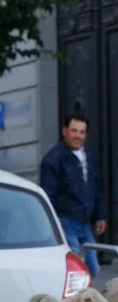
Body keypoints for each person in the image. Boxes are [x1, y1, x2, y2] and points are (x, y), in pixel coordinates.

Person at [41, 113, 107, 277]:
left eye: (82, 132)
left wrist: (100, 215)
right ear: (65, 131)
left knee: (93, 269)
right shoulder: (53, 159)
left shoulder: (89, 155)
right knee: (75, 270)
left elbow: (95, 187)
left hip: (85, 222)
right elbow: (48, 195)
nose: (78, 135)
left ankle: (89, 301)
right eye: (74, 131)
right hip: (66, 222)